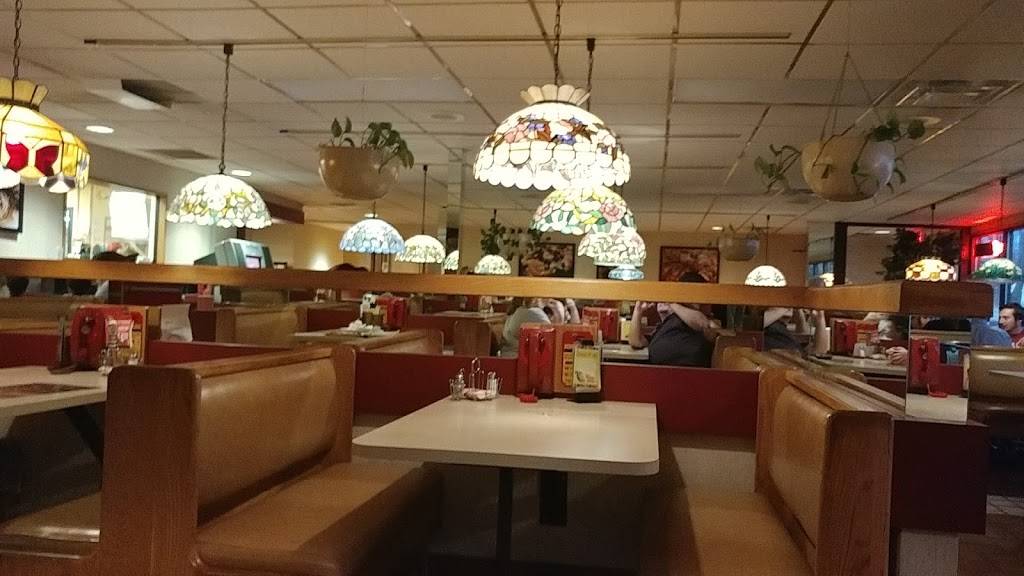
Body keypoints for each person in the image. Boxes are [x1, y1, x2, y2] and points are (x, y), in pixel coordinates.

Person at [629, 272, 717, 367]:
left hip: (689, 371)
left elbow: (704, 324)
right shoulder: (669, 321)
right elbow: (636, 342)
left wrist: (671, 302)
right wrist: (638, 311)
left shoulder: (703, 319)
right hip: (659, 370)